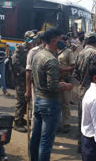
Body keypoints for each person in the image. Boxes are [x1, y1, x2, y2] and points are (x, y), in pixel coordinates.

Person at [30, 28, 73, 161]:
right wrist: (65, 86)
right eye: (61, 39)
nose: (63, 42)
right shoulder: (51, 59)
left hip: (38, 100)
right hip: (49, 103)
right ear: (54, 40)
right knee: (46, 141)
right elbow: (53, 86)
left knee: (35, 137)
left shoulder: (38, 54)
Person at [74, 32, 96, 153]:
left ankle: (80, 145)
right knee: (94, 120)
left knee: (82, 119)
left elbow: (75, 74)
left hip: (82, 90)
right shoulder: (95, 53)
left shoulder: (79, 53)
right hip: (93, 90)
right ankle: (90, 147)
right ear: (95, 41)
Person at [12, 31, 35, 132]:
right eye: (30, 38)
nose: (31, 40)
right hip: (21, 78)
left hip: (30, 78)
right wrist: (25, 72)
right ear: (25, 38)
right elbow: (15, 62)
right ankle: (17, 122)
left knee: (27, 100)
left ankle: (21, 119)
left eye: (32, 38)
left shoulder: (33, 48)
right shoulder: (20, 48)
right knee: (20, 100)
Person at [57, 35, 75, 133]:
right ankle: (57, 123)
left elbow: (73, 66)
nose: (61, 41)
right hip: (55, 80)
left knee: (65, 103)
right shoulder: (53, 50)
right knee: (56, 103)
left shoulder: (69, 52)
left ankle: (66, 123)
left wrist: (63, 70)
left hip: (65, 79)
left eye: (63, 40)